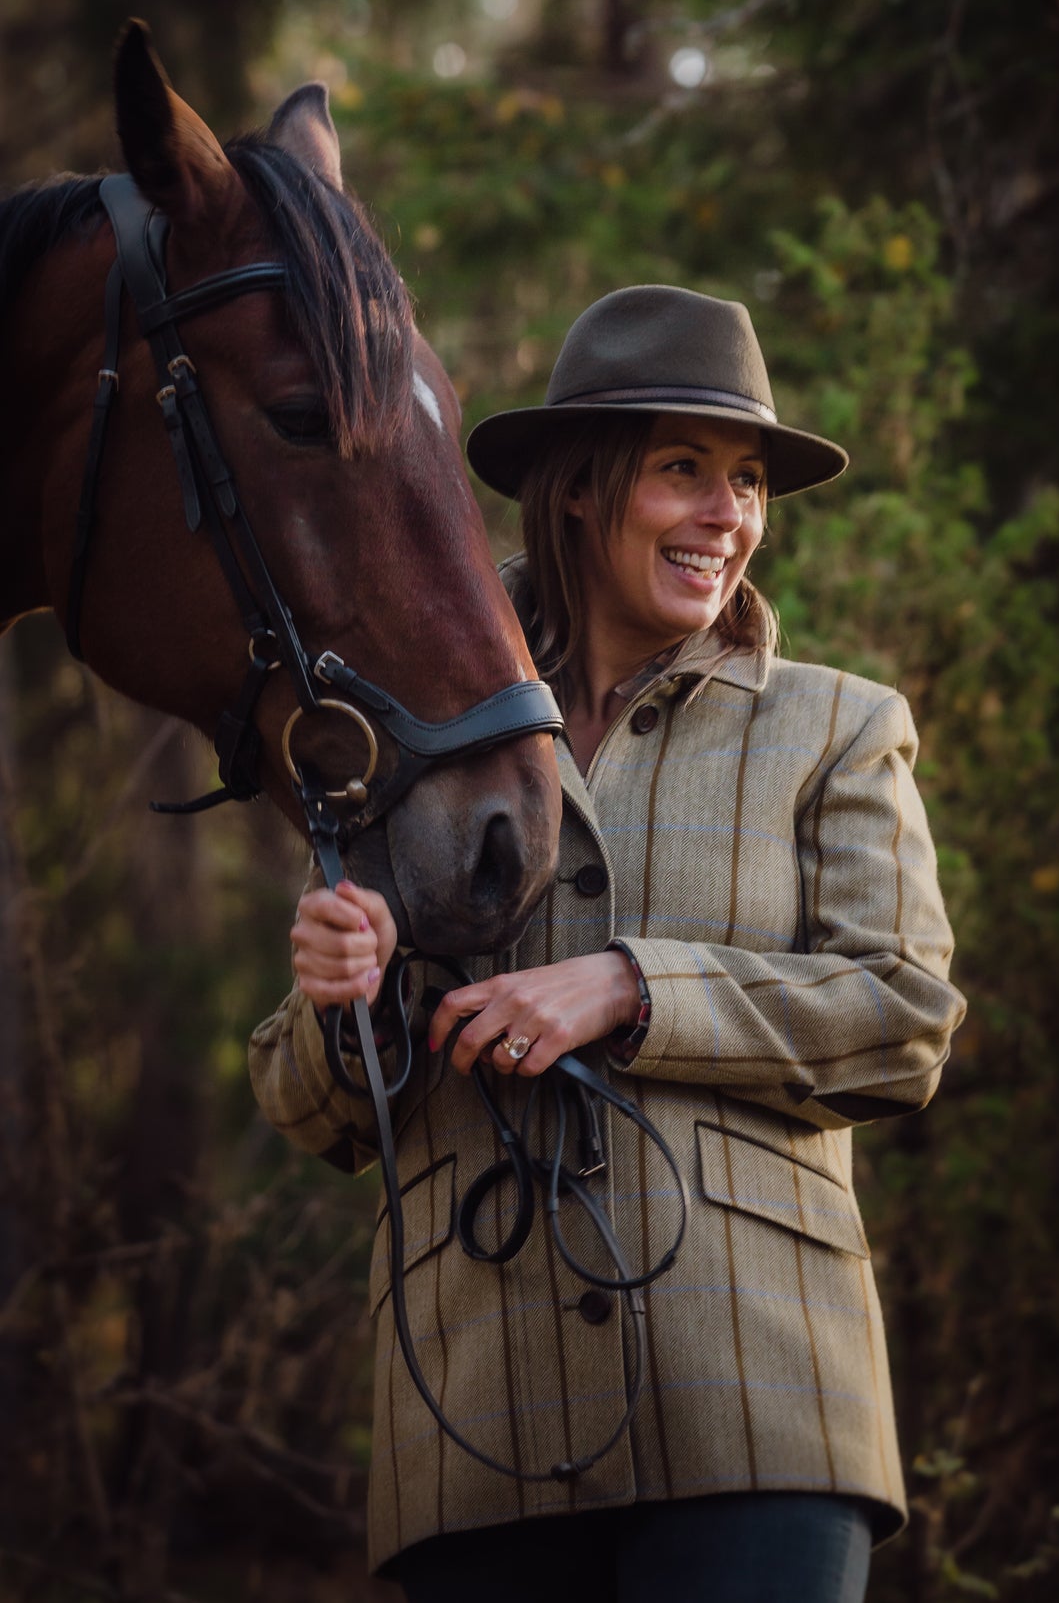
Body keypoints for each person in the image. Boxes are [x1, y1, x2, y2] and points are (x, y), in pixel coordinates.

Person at [248, 284, 966, 1603]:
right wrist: (341, 997)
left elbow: (904, 1018)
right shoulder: (403, 737)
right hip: (473, 1424)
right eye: (682, 471)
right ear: (579, 488)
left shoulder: (837, 729)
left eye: (746, 480)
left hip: (763, 1410)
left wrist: (637, 989)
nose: (727, 515)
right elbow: (314, 1108)